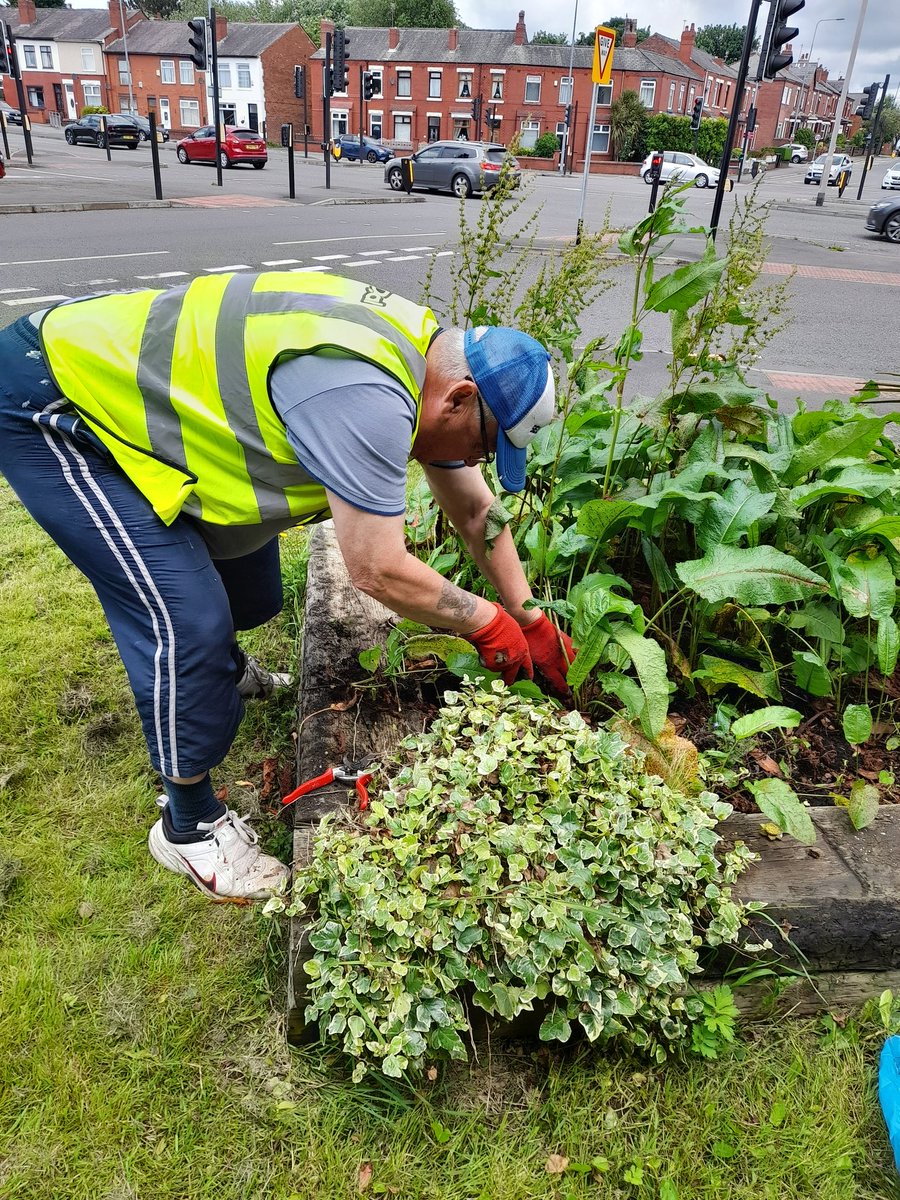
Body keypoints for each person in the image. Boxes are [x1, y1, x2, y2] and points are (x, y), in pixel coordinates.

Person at [0, 271, 574, 902]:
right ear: (459, 400)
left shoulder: (429, 363)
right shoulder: (365, 393)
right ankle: (188, 823)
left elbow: (474, 513)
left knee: (253, 598)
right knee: (184, 619)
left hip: (153, 409)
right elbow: (375, 567)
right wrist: (485, 622)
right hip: (54, 401)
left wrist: (531, 617)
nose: (477, 463)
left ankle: (216, 672)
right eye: (485, 447)